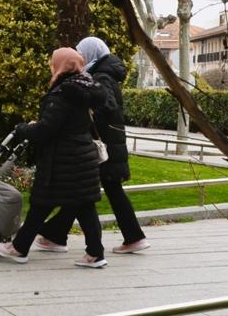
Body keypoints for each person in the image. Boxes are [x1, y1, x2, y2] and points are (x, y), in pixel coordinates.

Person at [34, 36, 150, 255]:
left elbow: (105, 107)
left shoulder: (102, 76)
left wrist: (84, 107)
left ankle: (55, 235)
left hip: (101, 145)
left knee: (82, 193)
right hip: (108, 144)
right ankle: (133, 236)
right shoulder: (104, 73)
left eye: (82, 53)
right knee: (97, 192)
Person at [0, 48, 108, 268]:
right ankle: (95, 254)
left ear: (61, 65)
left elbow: (47, 130)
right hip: (82, 157)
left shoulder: (63, 92)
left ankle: (19, 248)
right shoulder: (84, 87)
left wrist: (23, 129)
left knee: (41, 204)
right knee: (85, 206)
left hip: (62, 160)